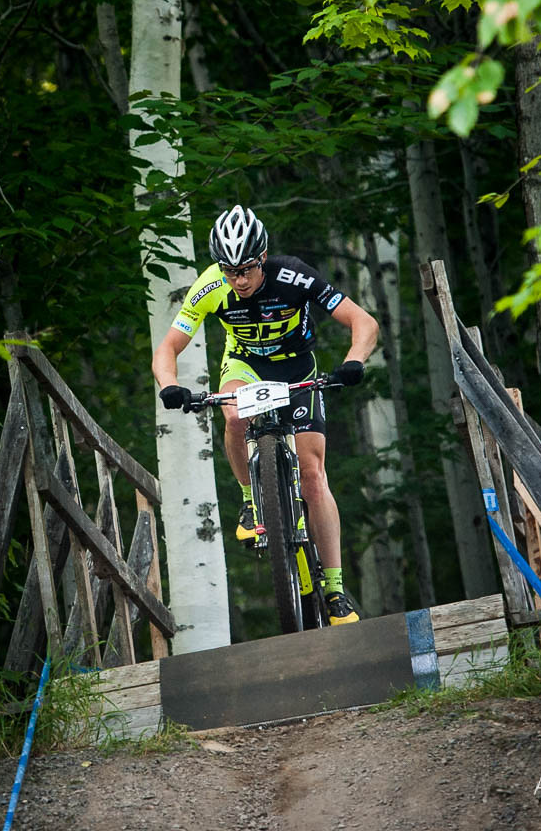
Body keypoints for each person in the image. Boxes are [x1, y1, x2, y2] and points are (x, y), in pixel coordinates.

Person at [152, 205, 380, 624]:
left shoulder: (293, 275)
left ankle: (334, 589)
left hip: (297, 368)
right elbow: (168, 347)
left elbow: (362, 321)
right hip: (245, 366)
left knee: (313, 476)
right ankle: (249, 502)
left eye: (246, 270)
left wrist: (354, 361)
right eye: (229, 271)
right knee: (234, 415)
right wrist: (169, 384)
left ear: (263, 257)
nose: (238, 280)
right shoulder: (210, 285)